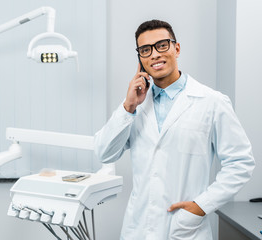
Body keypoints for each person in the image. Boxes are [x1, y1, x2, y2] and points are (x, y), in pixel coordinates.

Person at [94, 19, 255, 240]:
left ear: (176, 48)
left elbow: (241, 163)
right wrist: (128, 106)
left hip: (185, 229)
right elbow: (104, 152)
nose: (154, 55)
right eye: (145, 50)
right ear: (140, 59)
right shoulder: (135, 105)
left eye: (162, 45)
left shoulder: (212, 102)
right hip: (138, 230)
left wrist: (200, 207)